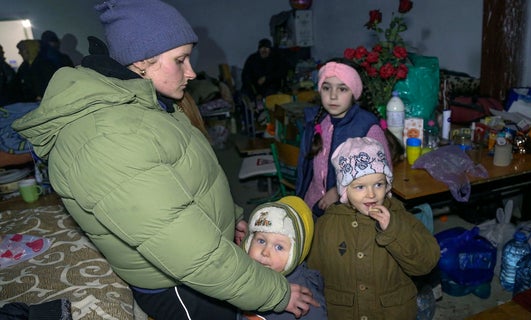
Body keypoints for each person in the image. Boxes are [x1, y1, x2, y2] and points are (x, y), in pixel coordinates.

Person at [12, 1, 318, 319]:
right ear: (142, 61)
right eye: (180, 60)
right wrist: (274, 293)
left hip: (203, 264)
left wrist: (230, 217)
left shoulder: (146, 102)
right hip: (180, 285)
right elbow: (189, 253)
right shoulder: (104, 138)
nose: (192, 72)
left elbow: (189, 175)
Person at [306, 137, 440, 319]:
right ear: (345, 190)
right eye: (360, 186)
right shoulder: (327, 225)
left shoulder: (400, 217)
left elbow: (426, 262)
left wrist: (393, 230)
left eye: (378, 184)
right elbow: (314, 272)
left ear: (387, 185)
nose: (371, 194)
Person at [295, 58, 403, 218]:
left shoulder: (368, 129)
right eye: (326, 88)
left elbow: (383, 180)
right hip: (313, 207)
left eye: (342, 89)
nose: (332, 96)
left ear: (354, 93)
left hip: (350, 215)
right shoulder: (318, 122)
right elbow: (305, 173)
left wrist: (340, 192)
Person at [240, 196, 327, 320]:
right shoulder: (242, 275)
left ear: (296, 253)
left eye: (279, 247)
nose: (265, 252)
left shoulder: (304, 301)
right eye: (261, 240)